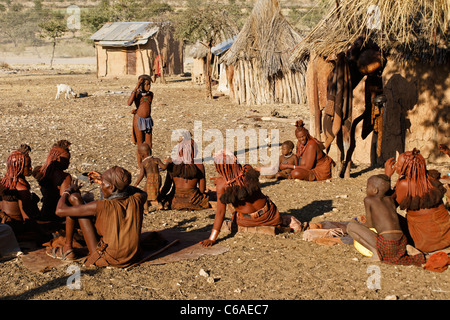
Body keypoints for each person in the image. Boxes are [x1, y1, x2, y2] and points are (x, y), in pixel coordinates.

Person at [201, 150, 303, 247]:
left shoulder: (221, 184)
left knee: (229, 203)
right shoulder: (248, 170)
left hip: (246, 221)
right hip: (269, 216)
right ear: (234, 160)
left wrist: (212, 238)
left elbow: (220, 212)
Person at [51, 166, 147, 267]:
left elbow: (60, 211)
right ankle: (69, 248)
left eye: (103, 184)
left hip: (107, 258)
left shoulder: (101, 206)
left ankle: (67, 248)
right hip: (132, 256)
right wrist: (113, 182)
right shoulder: (137, 199)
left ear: (112, 187)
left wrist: (67, 191)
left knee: (74, 198)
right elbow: (140, 191)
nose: (101, 186)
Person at [347, 174, 426, 266]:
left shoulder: (368, 200)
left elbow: (370, 225)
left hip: (387, 244)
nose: (366, 189)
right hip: (401, 241)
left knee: (350, 226)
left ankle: (376, 253)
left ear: (375, 190)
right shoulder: (390, 200)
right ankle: (406, 248)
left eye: (367, 187)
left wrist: (358, 222)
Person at [385, 149, 450, 253]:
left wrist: (387, 176)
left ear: (408, 168)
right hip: (446, 236)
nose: (396, 166)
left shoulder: (405, 184)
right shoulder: (431, 177)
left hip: (425, 241)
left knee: (382, 214)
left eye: (399, 164)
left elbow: (387, 207)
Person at [159, 135, 210, 210]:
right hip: (193, 200)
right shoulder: (199, 166)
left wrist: (161, 197)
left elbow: (167, 187)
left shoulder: (172, 164)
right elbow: (202, 190)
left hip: (175, 201)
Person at [0, 145, 41, 236]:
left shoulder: (2, 182)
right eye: (27, 166)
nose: (31, 168)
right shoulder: (22, 188)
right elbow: (27, 219)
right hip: (16, 227)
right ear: (18, 167)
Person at [32, 140, 72, 222]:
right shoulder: (64, 177)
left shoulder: (41, 172)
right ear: (58, 159)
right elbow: (64, 201)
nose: (68, 163)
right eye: (67, 160)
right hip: (57, 218)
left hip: (44, 214)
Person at [133, 143, 170, 211]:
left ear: (141, 155)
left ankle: (145, 209)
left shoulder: (143, 163)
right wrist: (167, 162)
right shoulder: (156, 159)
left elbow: (141, 175)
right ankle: (159, 204)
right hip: (158, 178)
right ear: (150, 151)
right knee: (157, 191)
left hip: (150, 179)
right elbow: (164, 167)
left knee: (145, 194)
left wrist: (136, 183)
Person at [128, 74, 154, 167]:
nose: (149, 86)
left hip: (148, 120)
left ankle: (149, 164)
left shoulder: (150, 94)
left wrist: (138, 109)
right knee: (140, 144)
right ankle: (140, 166)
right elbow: (129, 103)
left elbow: (146, 106)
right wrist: (136, 86)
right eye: (146, 84)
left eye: (149, 84)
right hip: (139, 120)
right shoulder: (137, 94)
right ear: (141, 85)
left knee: (149, 144)